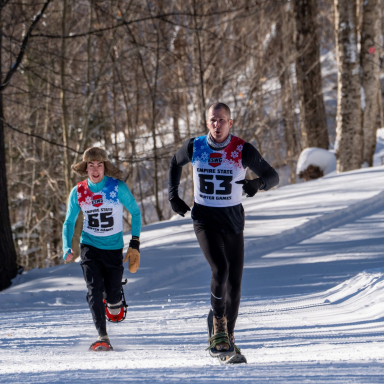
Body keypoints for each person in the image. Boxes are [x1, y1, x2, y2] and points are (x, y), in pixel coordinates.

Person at [168, 102, 279, 359]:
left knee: (235, 286)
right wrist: (173, 196)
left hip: (232, 221)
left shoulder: (242, 149)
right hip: (205, 219)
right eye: (212, 120)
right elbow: (175, 162)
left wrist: (257, 184)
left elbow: (273, 176)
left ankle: (228, 338)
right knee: (220, 269)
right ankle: (218, 323)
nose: (217, 125)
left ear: (230, 123)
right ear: (207, 122)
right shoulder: (195, 146)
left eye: (222, 120)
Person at [62, 147, 141, 351]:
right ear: (85, 168)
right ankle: (102, 336)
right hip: (90, 247)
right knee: (93, 289)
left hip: (113, 248)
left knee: (112, 294)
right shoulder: (79, 191)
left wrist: (135, 243)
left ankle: (114, 298)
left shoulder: (117, 187)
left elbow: (135, 212)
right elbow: (69, 221)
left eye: (99, 165)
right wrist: (66, 246)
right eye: (91, 165)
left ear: (105, 167)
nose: (95, 169)